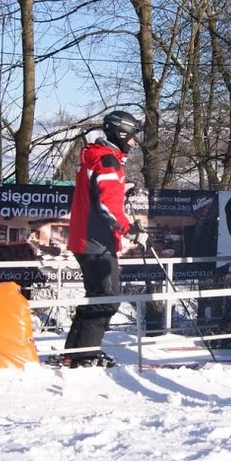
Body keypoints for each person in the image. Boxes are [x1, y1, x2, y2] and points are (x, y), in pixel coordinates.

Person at [62, 110, 147, 367]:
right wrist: (131, 230)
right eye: (132, 137)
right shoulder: (108, 161)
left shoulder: (98, 157)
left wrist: (124, 188)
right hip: (95, 241)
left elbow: (100, 194)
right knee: (107, 298)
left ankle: (75, 354)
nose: (133, 143)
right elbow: (108, 207)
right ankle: (84, 355)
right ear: (121, 134)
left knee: (97, 295)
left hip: (86, 238)